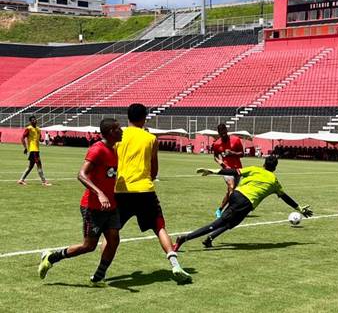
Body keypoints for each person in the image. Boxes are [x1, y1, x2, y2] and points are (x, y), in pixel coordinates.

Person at [38, 118, 123, 285]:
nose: (122, 131)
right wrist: (100, 193)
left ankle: (99, 275)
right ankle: (51, 257)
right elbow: (81, 175)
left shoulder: (113, 149)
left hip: (111, 205)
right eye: (118, 129)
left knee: (114, 239)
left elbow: (108, 175)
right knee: (89, 246)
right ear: (111, 132)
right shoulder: (97, 149)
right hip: (92, 206)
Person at [115, 103, 191, 283]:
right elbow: (154, 170)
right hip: (144, 190)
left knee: (112, 231)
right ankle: (175, 265)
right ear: (144, 118)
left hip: (121, 189)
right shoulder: (150, 139)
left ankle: (100, 272)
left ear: (128, 117)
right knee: (159, 227)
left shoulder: (118, 137)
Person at [173, 155, 312, 251]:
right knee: (218, 223)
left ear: (263, 164)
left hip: (236, 195)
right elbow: (285, 197)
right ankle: (184, 239)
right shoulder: (274, 181)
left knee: (233, 223)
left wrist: (214, 171)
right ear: (275, 168)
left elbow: (234, 171)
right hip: (245, 202)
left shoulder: (254, 169)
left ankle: (210, 238)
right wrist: (299, 208)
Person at [211, 123, 244, 218]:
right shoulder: (217, 144)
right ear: (219, 133)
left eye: (224, 131)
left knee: (230, 191)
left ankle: (220, 209)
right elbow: (216, 156)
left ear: (226, 130)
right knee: (231, 186)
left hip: (238, 169)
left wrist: (232, 153)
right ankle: (230, 211)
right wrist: (221, 163)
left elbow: (242, 154)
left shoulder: (236, 140)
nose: (223, 134)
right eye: (221, 133)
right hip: (227, 169)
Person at [18, 115, 50, 186]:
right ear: (30, 122)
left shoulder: (38, 129)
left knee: (31, 166)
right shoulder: (29, 128)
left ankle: (21, 180)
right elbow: (22, 138)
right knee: (39, 164)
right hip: (33, 149)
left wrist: (41, 140)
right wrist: (25, 148)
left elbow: (40, 139)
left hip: (36, 149)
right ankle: (44, 181)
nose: (34, 121)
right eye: (32, 120)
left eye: (35, 119)